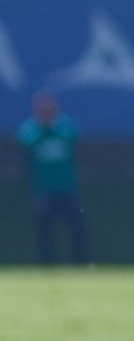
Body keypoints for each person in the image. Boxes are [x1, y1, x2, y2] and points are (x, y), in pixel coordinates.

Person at [17, 94, 86, 266]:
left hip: (67, 188)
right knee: (45, 230)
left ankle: (81, 260)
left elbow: (73, 142)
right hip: (44, 190)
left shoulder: (65, 128)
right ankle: (47, 262)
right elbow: (27, 157)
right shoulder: (31, 131)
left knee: (76, 226)